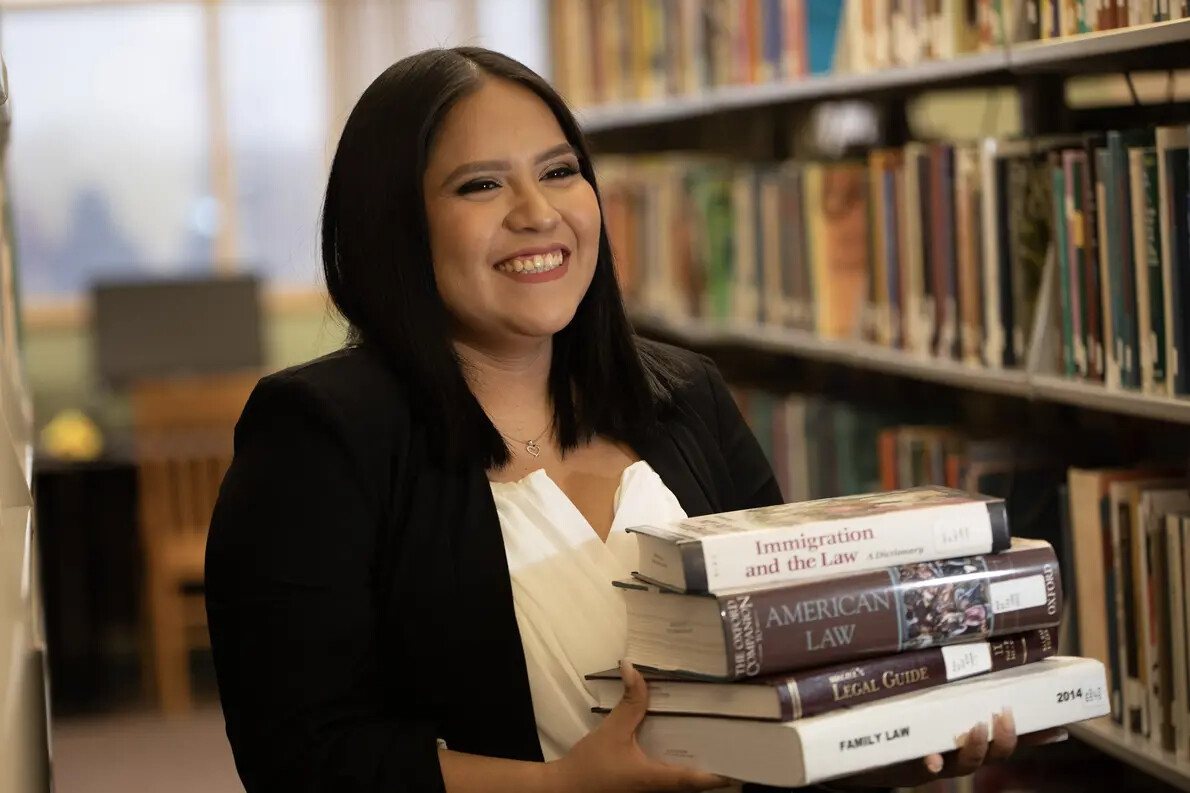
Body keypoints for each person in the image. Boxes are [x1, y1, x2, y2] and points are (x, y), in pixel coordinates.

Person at [203, 46, 1062, 793]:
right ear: (395, 226)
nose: (538, 213)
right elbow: (302, 758)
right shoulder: (317, 436)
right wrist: (560, 788)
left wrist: (878, 744)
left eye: (560, 170)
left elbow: (784, 673)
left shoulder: (685, 395)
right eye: (479, 185)